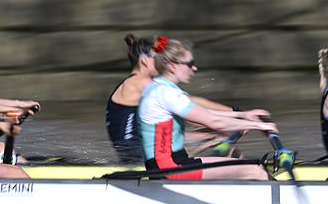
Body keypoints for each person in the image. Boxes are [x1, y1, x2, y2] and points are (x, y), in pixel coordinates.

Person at [138, 37, 278, 180]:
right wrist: (257, 125)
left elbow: (204, 113)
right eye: (190, 64)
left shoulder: (157, 87)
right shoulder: (166, 93)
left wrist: (243, 115)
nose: (194, 68)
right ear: (172, 66)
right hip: (170, 169)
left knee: (248, 165)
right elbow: (215, 123)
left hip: (171, 164)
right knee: (254, 170)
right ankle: (286, 200)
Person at [107, 34, 251, 164]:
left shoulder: (150, 84)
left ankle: (233, 171)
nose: (162, 61)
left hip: (144, 143)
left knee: (214, 134)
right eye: (157, 57)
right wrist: (236, 112)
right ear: (144, 61)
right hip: (136, 152)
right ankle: (241, 175)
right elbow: (190, 103)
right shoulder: (139, 83)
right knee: (216, 137)